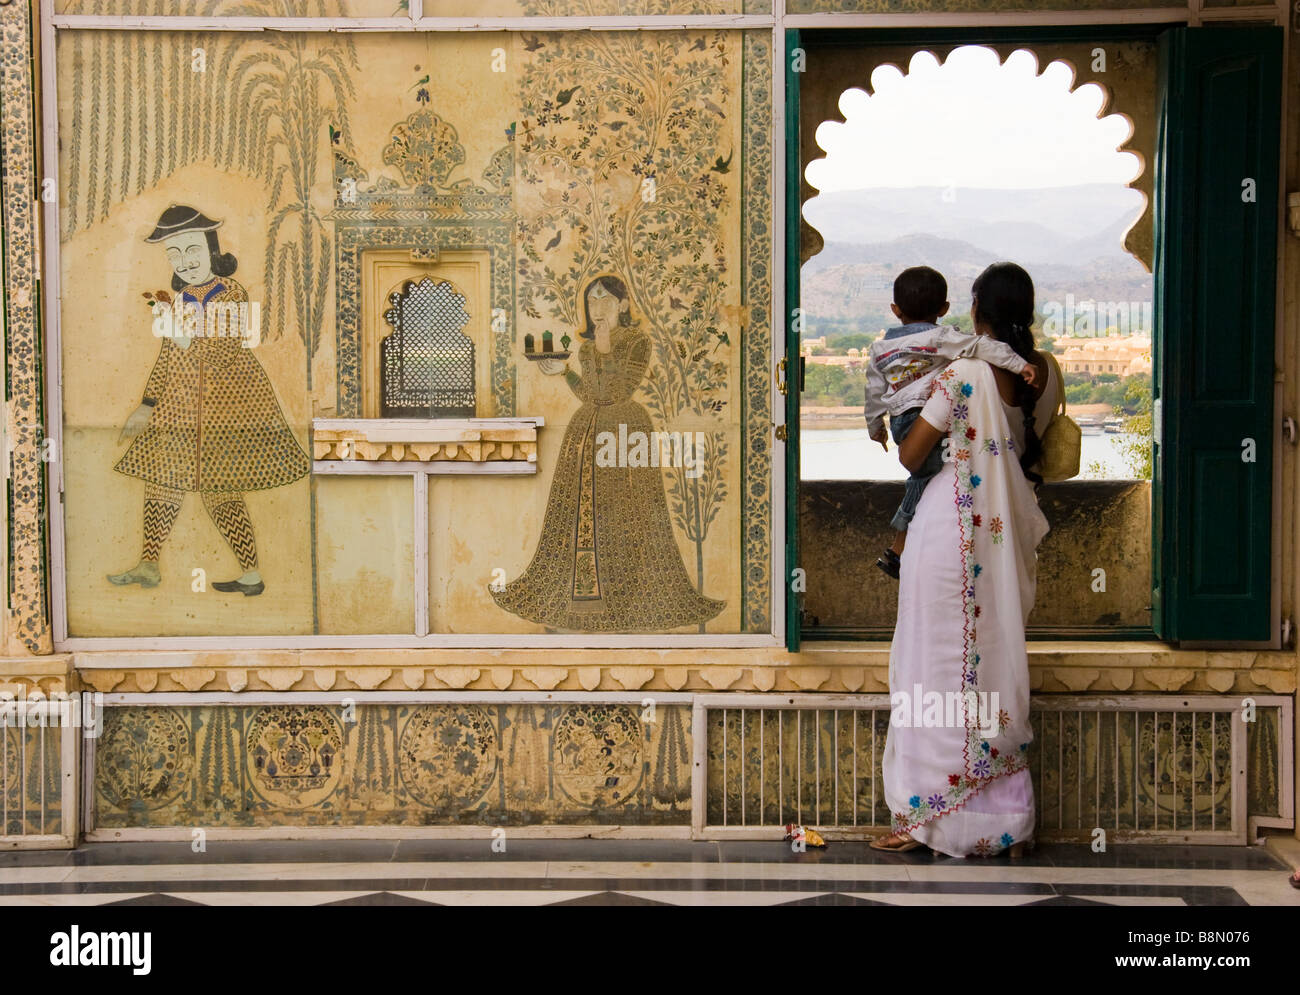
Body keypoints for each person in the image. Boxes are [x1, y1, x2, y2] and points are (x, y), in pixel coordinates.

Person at [870, 262, 1060, 858]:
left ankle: (926, 816)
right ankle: (1000, 822)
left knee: (929, 669)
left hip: (946, 533)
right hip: (1003, 541)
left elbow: (910, 455)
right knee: (992, 666)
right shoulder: (1044, 374)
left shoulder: (963, 373)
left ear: (975, 309)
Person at [490, 274, 725, 630]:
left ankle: (630, 601)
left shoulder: (636, 341)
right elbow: (590, 394)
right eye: (591, 302)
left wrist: (604, 350)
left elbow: (619, 390)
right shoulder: (585, 348)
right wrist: (566, 372)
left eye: (605, 300)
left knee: (629, 517)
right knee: (582, 515)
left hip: (625, 433)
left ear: (623, 305)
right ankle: (583, 598)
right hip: (586, 433)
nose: (597, 308)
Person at [107, 205, 310, 596]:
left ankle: (251, 572)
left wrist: (178, 332)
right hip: (180, 405)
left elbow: (222, 351)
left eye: (192, 250)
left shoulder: (232, 293)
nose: (186, 261)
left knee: (221, 491)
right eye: (175, 254)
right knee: (162, 482)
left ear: (211, 247)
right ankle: (149, 564)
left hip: (227, 404)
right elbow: (168, 355)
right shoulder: (180, 299)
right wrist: (147, 404)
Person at [864, 266, 1035, 580]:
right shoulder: (945, 342)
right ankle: (898, 545)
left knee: (921, 473)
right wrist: (1020, 363)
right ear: (944, 309)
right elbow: (980, 346)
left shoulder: (879, 349)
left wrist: (875, 428)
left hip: (902, 421)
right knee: (924, 473)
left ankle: (898, 545)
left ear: (895, 309)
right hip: (1000, 510)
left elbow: (874, 394)